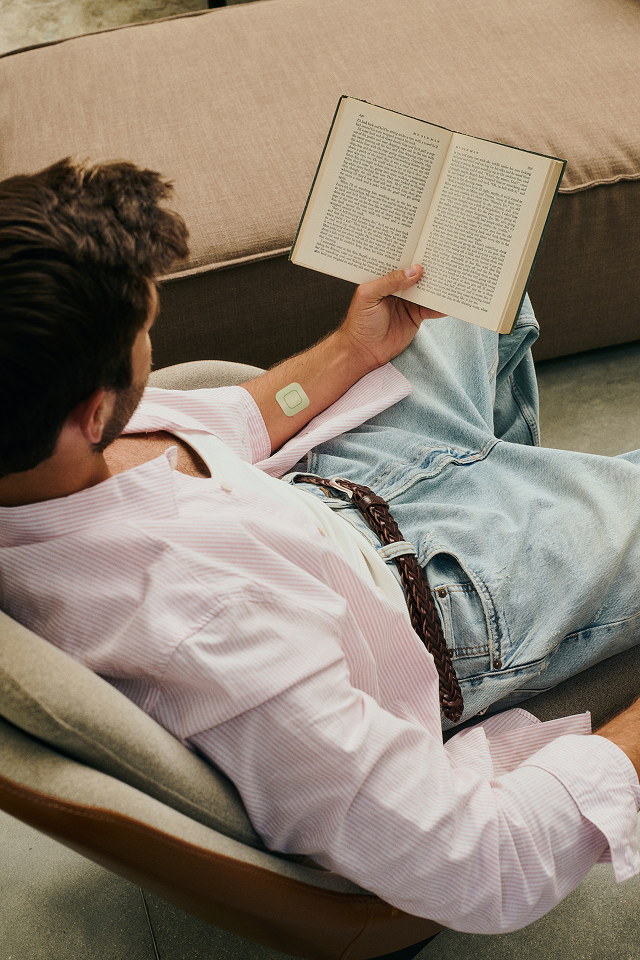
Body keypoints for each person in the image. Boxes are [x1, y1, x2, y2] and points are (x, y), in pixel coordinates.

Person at [0, 157, 639, 935]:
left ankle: (544, 499)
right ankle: (555, 530)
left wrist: (352, 347)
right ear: (95, 413)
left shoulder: (38, 441)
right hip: (456, 596)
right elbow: (480, 865)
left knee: (469, 231)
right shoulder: (209, 630)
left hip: (341, 478)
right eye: (143, 332)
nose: (151, 337)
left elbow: (234, 423)